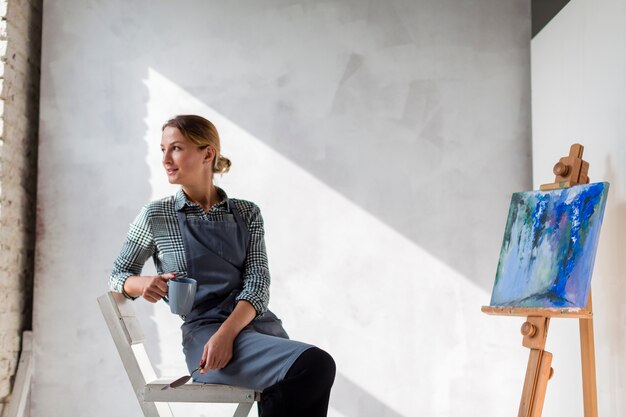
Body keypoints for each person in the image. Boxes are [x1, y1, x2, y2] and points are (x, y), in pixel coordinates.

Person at [109, 115, 335, 417]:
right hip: (204, 338)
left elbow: (257, 283)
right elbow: (118, 275)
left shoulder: (246, 213)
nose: (165, 159)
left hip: (252, 329)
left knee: (308, 372)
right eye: (162, 149)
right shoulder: (156, 216)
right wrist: (142, 284)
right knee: (315, 366)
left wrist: (227, 335)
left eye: (176, 148)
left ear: (207, 153)